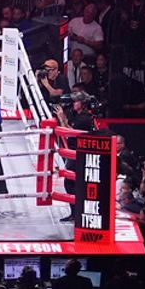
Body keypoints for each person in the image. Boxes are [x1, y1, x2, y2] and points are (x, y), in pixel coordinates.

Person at [53, 93, 94, 221]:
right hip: (75, 152)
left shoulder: (84, 119)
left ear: (82, 104)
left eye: (76, 101)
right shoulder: (80, 116)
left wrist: (61, 119)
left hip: (79, 153)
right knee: (70, 182)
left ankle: (76, 214)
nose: (74, 103)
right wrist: (63, 119)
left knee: (71, 183)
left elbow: (71, 133)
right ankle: (75, 213)